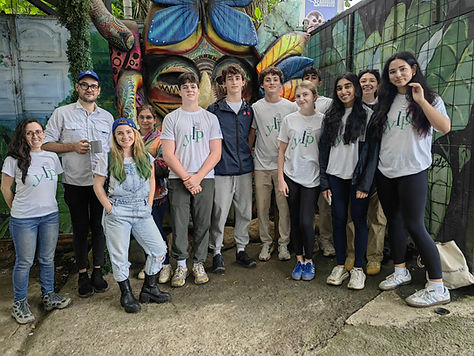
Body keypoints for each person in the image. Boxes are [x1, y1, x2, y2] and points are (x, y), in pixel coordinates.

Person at [372, 52, 451, 307]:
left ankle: (438, 286)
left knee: (415, 225)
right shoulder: (385, 99)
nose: (398, 75)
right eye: (392, 71)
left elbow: (444, 127)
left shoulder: (430, 98)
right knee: (393, 220)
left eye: (402, 69)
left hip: (413, 171)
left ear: (414, 69)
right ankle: (400, 270)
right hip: (386, 171)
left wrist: (421, 101)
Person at [43, 70, 113, 298]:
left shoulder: (106, 117)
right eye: (84, 85)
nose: (89, 89)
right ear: (77, 87)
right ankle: (82, 274)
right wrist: (71, 147)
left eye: (93, 86)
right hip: (75, 182)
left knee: (99, 228)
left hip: (100, 183)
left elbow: (113, 150)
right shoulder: (62, 114)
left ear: (99, 90)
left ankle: (98, 272)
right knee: (80, 229)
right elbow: (45, 144)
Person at [93, 118, 171, 313]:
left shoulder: (144, 155)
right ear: (114, 136)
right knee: (120, 255)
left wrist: (150, 203)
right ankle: (126, 294)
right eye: (120, 133)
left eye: (128, 132)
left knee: (159, 249)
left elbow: (152, 179)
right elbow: (97, 185)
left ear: (134, 134)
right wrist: (109, 208)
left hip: (142, 210)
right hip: (118, 211)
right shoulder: (108, 157)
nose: (125, 136)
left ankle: (150, 289)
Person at [1, 119, 71, 324]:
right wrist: (16, 209)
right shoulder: (13, 160)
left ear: (44, 133)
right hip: (24, 219)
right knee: (24, 262)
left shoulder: (51, 157)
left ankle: (48, 295)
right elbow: (5, 188)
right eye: (30, 133)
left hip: (50, 215)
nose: (35, 136)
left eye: (39, 132)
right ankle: (19, 303)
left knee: (47, 259)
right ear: (23, 136)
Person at [161, 72, 222, 287]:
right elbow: (168, 153)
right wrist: (187, 177)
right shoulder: (172, 118)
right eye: (185, 86)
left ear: (198, 90)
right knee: (178, 222)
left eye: (193, 86)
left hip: (204, 177)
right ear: (179, 91)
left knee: (203, 222)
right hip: (179, 178)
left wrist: (198, 177)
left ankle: (199, 263)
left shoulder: (210, 118)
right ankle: (181, 265)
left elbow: (216, 153)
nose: (189, 89)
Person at [319, 73, 375, 290]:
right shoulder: (331, 115)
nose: (344, 91)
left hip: (357, 180)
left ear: (356, 89)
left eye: (348, 87)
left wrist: (365, 184)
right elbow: (323, 150)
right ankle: (340, 266)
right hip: (335, 178)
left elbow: (371, 155)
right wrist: (324, 182)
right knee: (338, 220)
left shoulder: (368, 116)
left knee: (359, 221)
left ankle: (358, 269)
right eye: (340, 88)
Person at [207, 64, 256, 273]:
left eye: (237, 78)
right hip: (222, 170)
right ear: (224, 83)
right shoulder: (215, 110)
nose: (234, 82)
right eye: (230, 79)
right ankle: (216, 252)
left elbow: (251, 137)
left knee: (244, 211)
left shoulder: (249, 110)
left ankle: (241, 249)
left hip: (245, 169)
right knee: (219, 212)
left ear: (243, 82)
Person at [249, 67, 297, 262]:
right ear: (262, 85)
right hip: (261, 165)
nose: (271, 83)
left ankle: (283, 244)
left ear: (280, 84)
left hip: (282, 167)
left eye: (275, 80)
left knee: (283, 206)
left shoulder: (291, 107)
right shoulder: (256, 107)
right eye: (267, 80)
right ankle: (266, 243)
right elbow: (252, 133)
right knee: (262, 207)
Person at [277, 81, 324, 281]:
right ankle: (299, 259)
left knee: (307, 221)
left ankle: (310, 260)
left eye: (306, 95)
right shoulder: (289, 120)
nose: (301, 99)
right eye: (298, 96)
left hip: (312, 177)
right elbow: (281, 150)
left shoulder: (323, 120)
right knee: (294, 220)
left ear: (314, 96)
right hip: (291, 175)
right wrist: (281, 178)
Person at [345, 69, 387, 275]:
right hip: (357, 169)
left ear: (378, 85)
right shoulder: (353, 109)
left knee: (378, 216)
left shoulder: (384, 108)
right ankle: (352, 253)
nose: (367, 84)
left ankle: (374, 257)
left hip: (382, 170)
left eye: (372, 80)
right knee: (354, 214)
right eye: (363, 80)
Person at [136, 105, 172, 284]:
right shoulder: (131, 137)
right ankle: (150, 263)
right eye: (142, 117)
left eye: (149, 117)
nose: (145, 121)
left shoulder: (160, 139)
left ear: (155, 119)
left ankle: (165, 264)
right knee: (143, 232)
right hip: (135, 195)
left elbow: (164, 165)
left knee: (156, 229)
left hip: (155, 192)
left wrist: (140, 163)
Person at [301, 67, 335, 257]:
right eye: (307, 77)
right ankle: (309, 240)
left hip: (323, 164)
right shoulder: (297, 103)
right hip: (303, 165)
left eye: (314, 78)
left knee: (325, 207)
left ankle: (325, 239)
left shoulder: (328, 104)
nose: (311, 80)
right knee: (305, 208)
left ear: (319, 83)